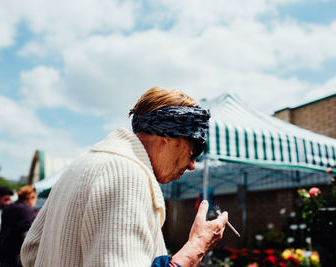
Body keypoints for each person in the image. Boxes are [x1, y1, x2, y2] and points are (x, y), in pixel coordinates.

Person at [21, 87, 228, 267]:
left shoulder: (80, 164)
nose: (193, 164)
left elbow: (31, 252)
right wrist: (196, 248)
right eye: (195, 149)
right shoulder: (127, 176)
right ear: (169, 135)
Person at [0, 185, 37, 267]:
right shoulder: (27, 211)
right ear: (30, 197)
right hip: (14, 258)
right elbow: (26, 236)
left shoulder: (8, 208)